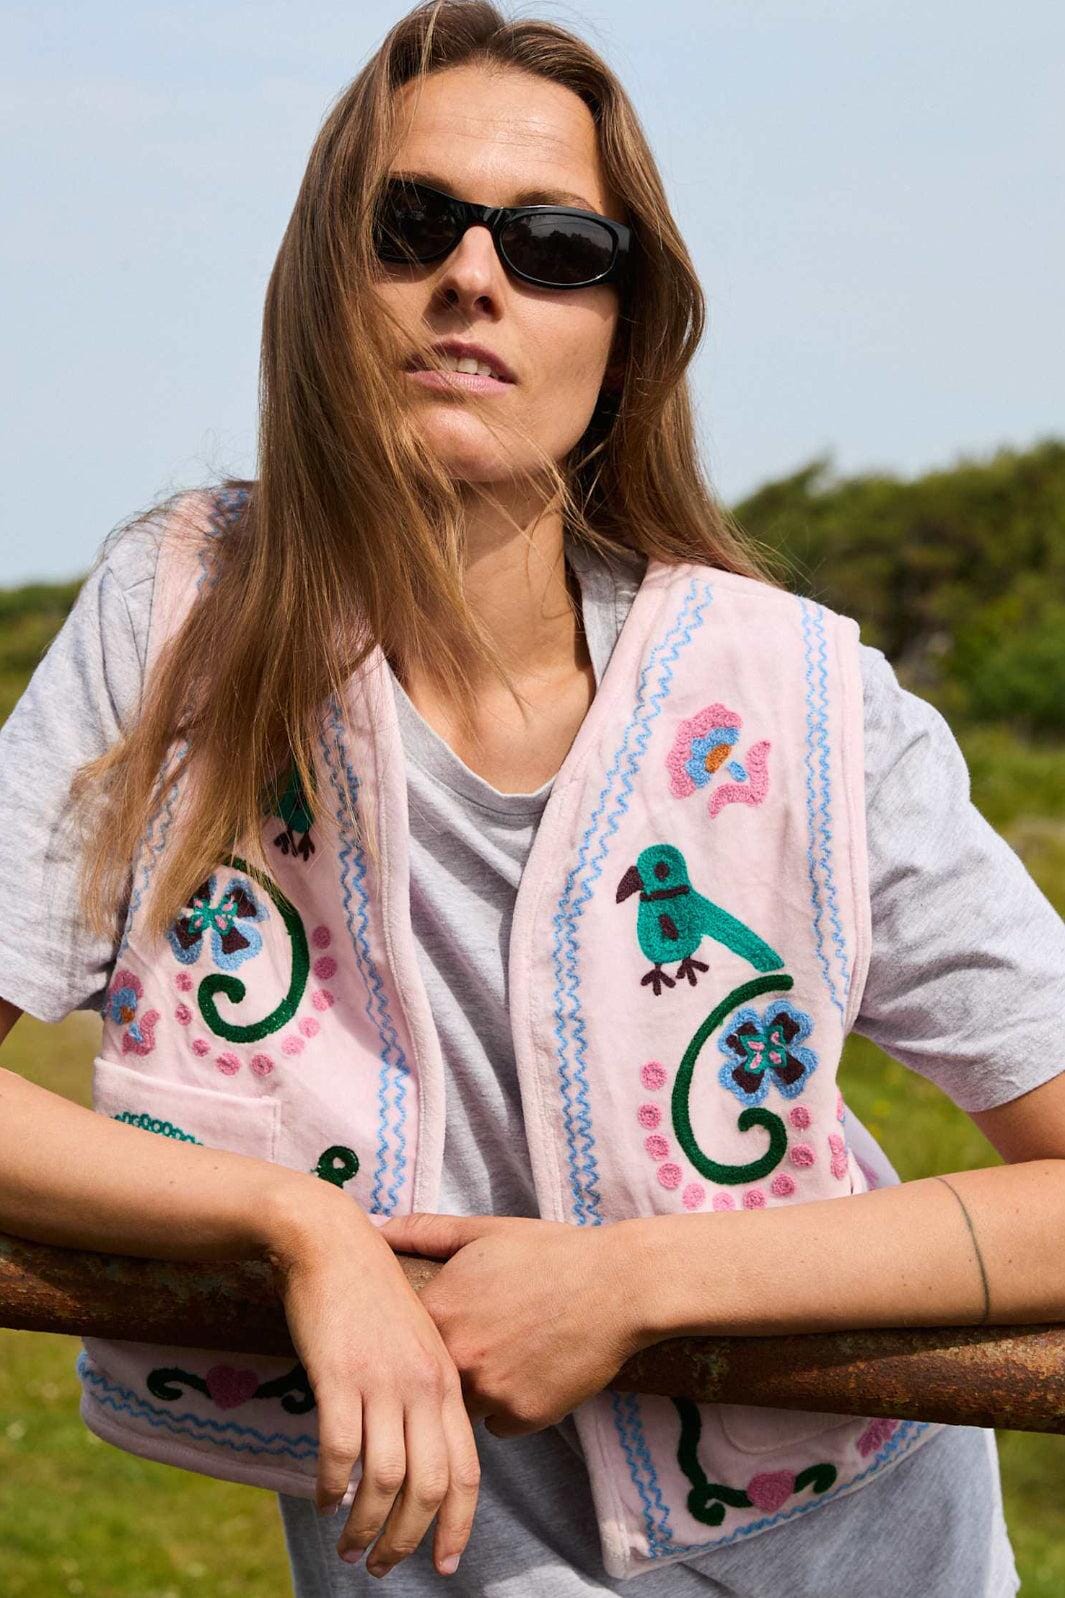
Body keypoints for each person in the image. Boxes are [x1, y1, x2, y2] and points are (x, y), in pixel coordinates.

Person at [1, 2, 1063, 1593]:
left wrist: (634, 1283)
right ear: (321, 281)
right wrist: (295, 1226)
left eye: (558, 246)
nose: (472, 277)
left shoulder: (804, 704)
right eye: (409, 222)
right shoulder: (175, 624)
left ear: (628, 329)